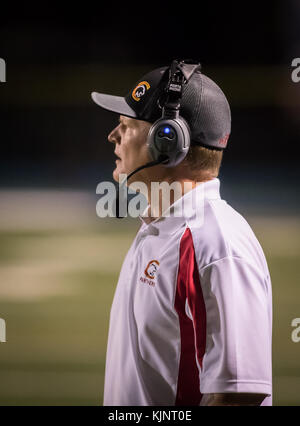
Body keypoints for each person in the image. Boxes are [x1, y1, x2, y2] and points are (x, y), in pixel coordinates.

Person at [91, 60, 273, 406]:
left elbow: (239, 395)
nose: (112, 136)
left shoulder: (216, 244)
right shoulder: (164, 228)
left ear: (167, 140)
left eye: (126, 125)